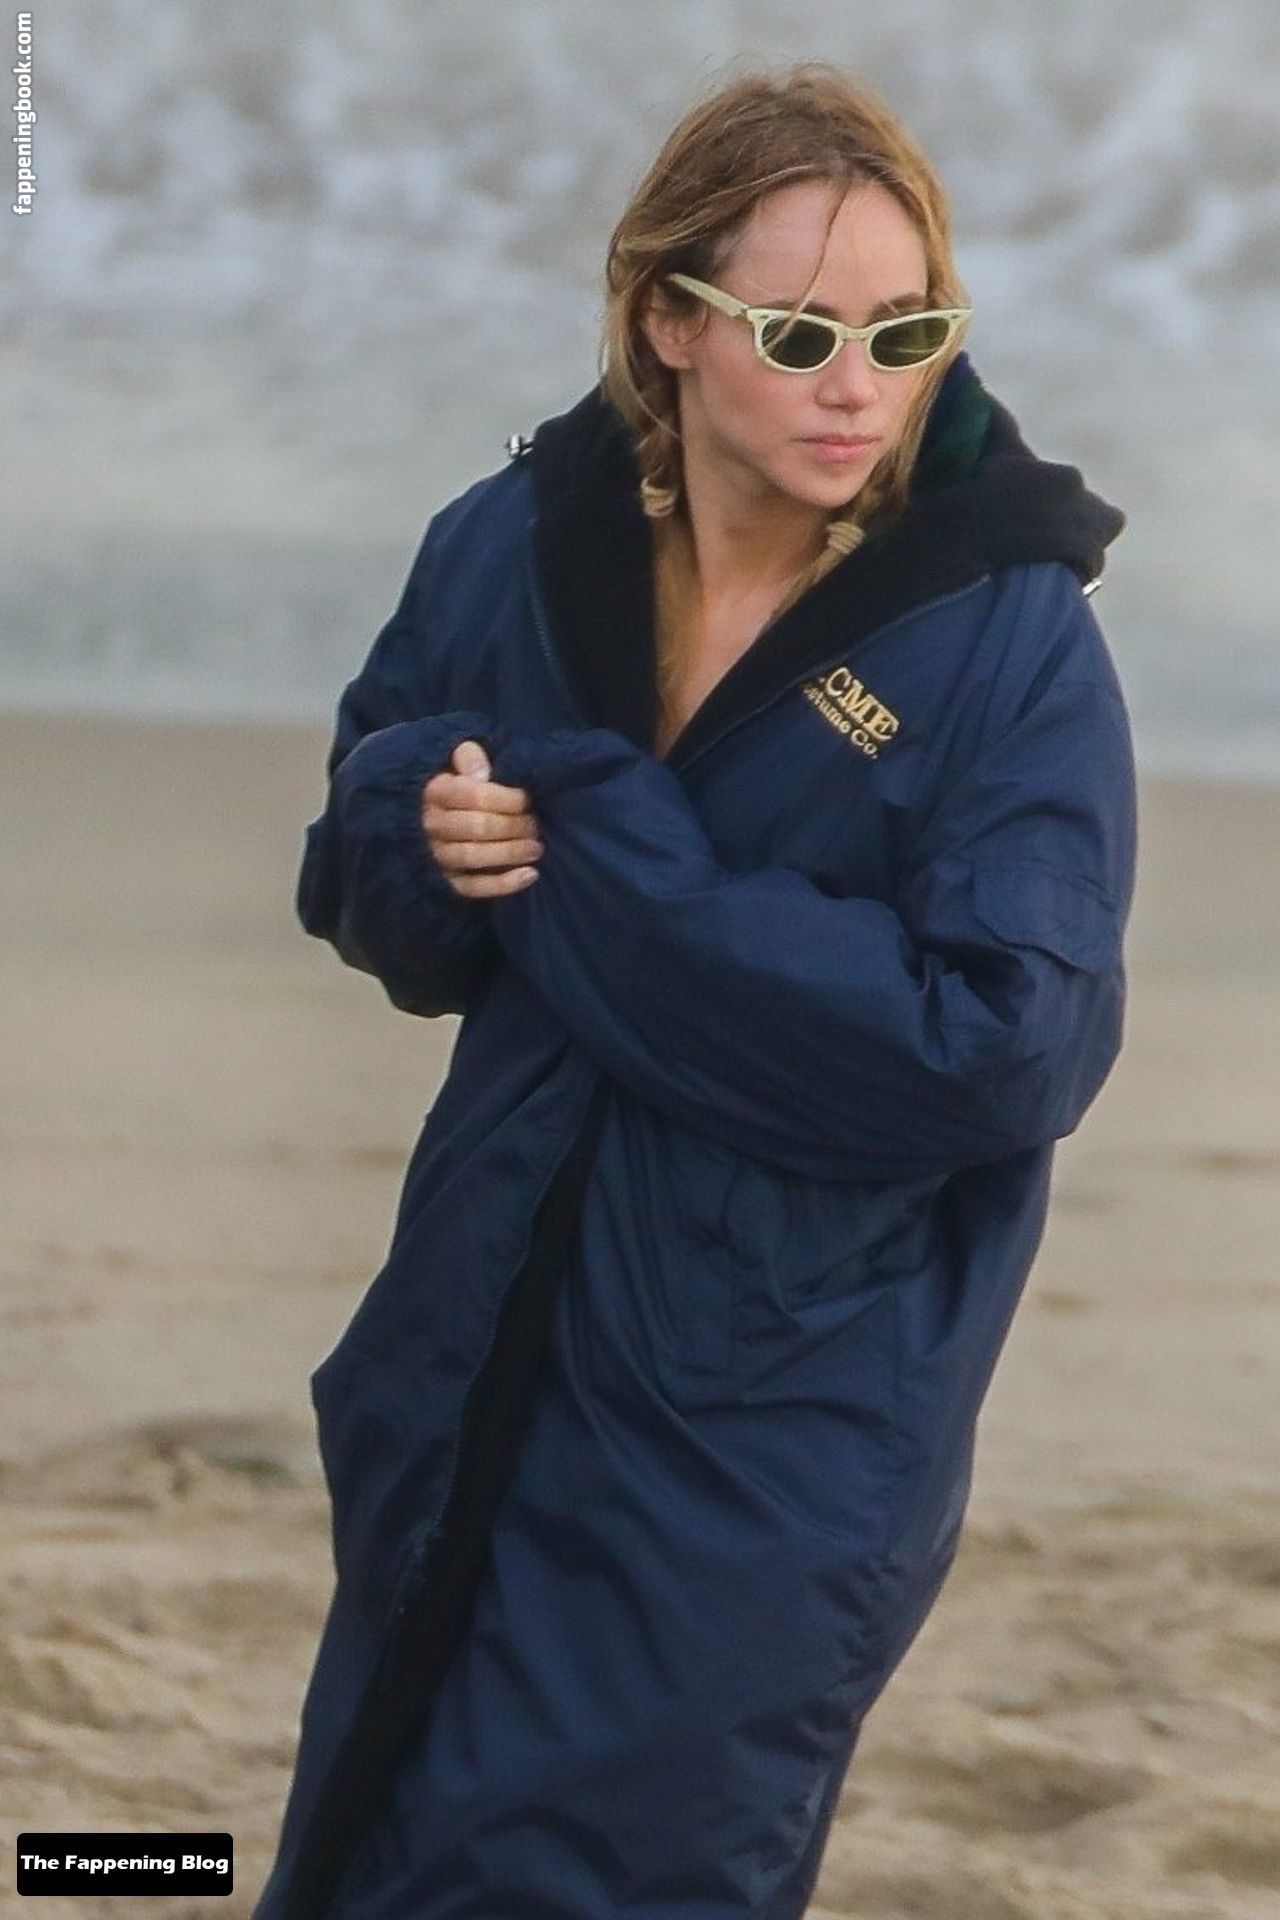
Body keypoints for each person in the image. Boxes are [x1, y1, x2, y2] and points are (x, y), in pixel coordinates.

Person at [251, 61, 1137, 1920]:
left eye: (907, 331)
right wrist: (423, 831)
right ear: (669, 319)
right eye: (799, 331)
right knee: (372, 1851)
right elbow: (366, 888)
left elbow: (1006, 1048)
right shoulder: (511, 541)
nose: (858, 384)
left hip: (776, 1414)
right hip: (465, 1339)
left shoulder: (1005, 635)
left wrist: (607, 867)